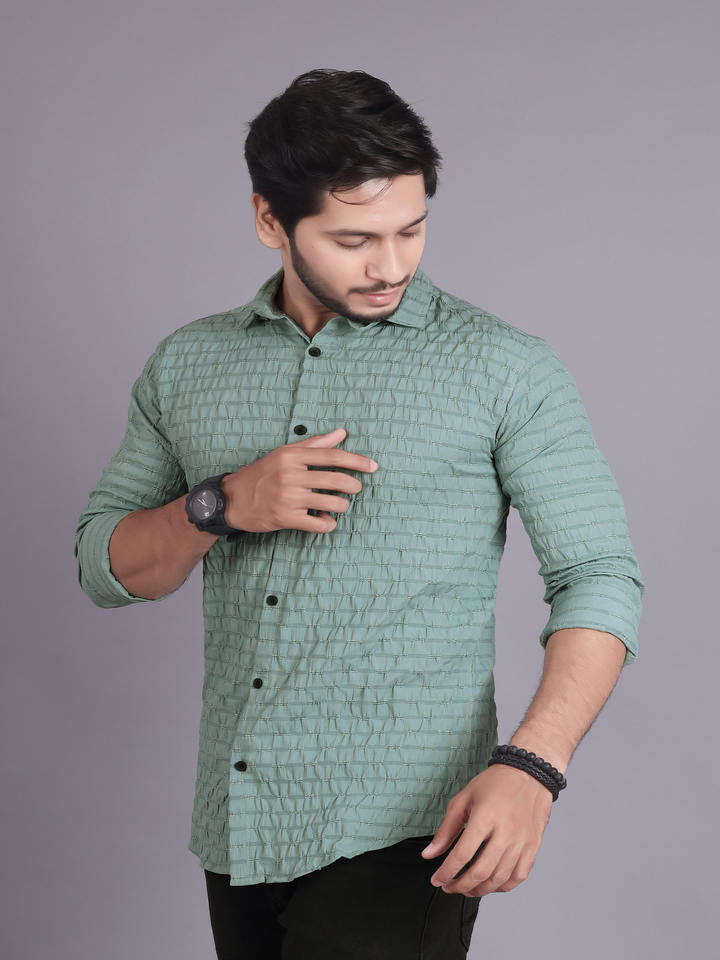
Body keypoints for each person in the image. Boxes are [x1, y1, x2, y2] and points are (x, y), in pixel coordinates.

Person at [74, 68, 645, 960]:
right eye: (354, 239)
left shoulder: (505, 369)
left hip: (407, 829)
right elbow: (104, 568)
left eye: (411, 229)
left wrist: (534, 764)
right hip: (238, 821)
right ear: (270, 220)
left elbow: (599, 576)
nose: (391, 266)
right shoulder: (186, 365)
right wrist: (222, 504)